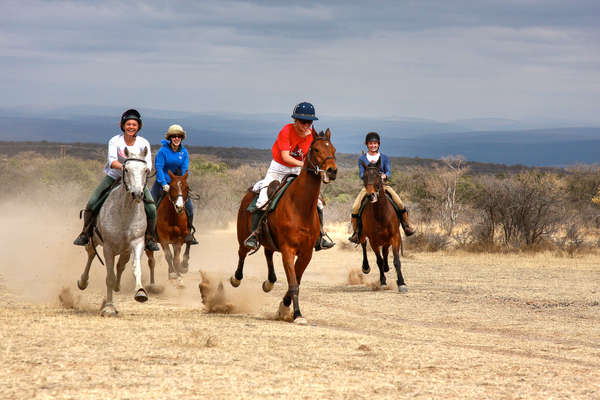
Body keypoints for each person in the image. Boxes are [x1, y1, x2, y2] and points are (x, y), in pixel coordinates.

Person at [244, 102, 335, 251]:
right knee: (262, 200)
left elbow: (316, 155)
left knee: (318, 202)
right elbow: (285, 157)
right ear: (295, 120)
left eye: (309, 122)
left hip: (299, 169)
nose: (306, 125)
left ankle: (319, 236)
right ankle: (255, 235)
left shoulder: (312, 136)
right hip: (279, 168)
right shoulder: (286, 131)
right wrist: (304, 166)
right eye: (302, 121)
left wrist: (322, 171)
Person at [73, 109, 160, 251]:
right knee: (92, 202)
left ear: (138, 126)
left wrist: (138, 171)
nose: (131, 127)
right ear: (123, 125)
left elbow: (148, 164)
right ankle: (85, 233)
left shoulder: (143, 143)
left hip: (136, 179)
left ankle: (150, 238)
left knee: (151, 208)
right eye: (128, 124)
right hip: (114, 176)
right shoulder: (115, 140)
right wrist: (126, 168)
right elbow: (112, 161)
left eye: (134, 124)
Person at [348, 131, 415, 243]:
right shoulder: (362, 159)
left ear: (378, 144)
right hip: (368, 187)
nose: (372, 145)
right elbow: (361, 174)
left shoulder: (384, 158)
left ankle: (406, 226)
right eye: (370, 143)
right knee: (355, 207)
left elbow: (389, 171)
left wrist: (384, 175)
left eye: (375, 143)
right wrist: (367, 176)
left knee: (399, 203)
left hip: (383, 186)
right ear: (367, 144)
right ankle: (356, 233)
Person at [150, 124, 198, 245]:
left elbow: (184, 168)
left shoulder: (184, 152)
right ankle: (149, 235)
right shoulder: (163, 151)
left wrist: (181, 182)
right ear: (170, 138)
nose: (176, 138)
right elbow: (159, 168)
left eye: (179, 136)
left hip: (177, 184)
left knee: (190, 208)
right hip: (162, 183)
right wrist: (164, 183)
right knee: (150, 207)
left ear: (181, 138)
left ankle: (188, 233)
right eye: (174, 136)